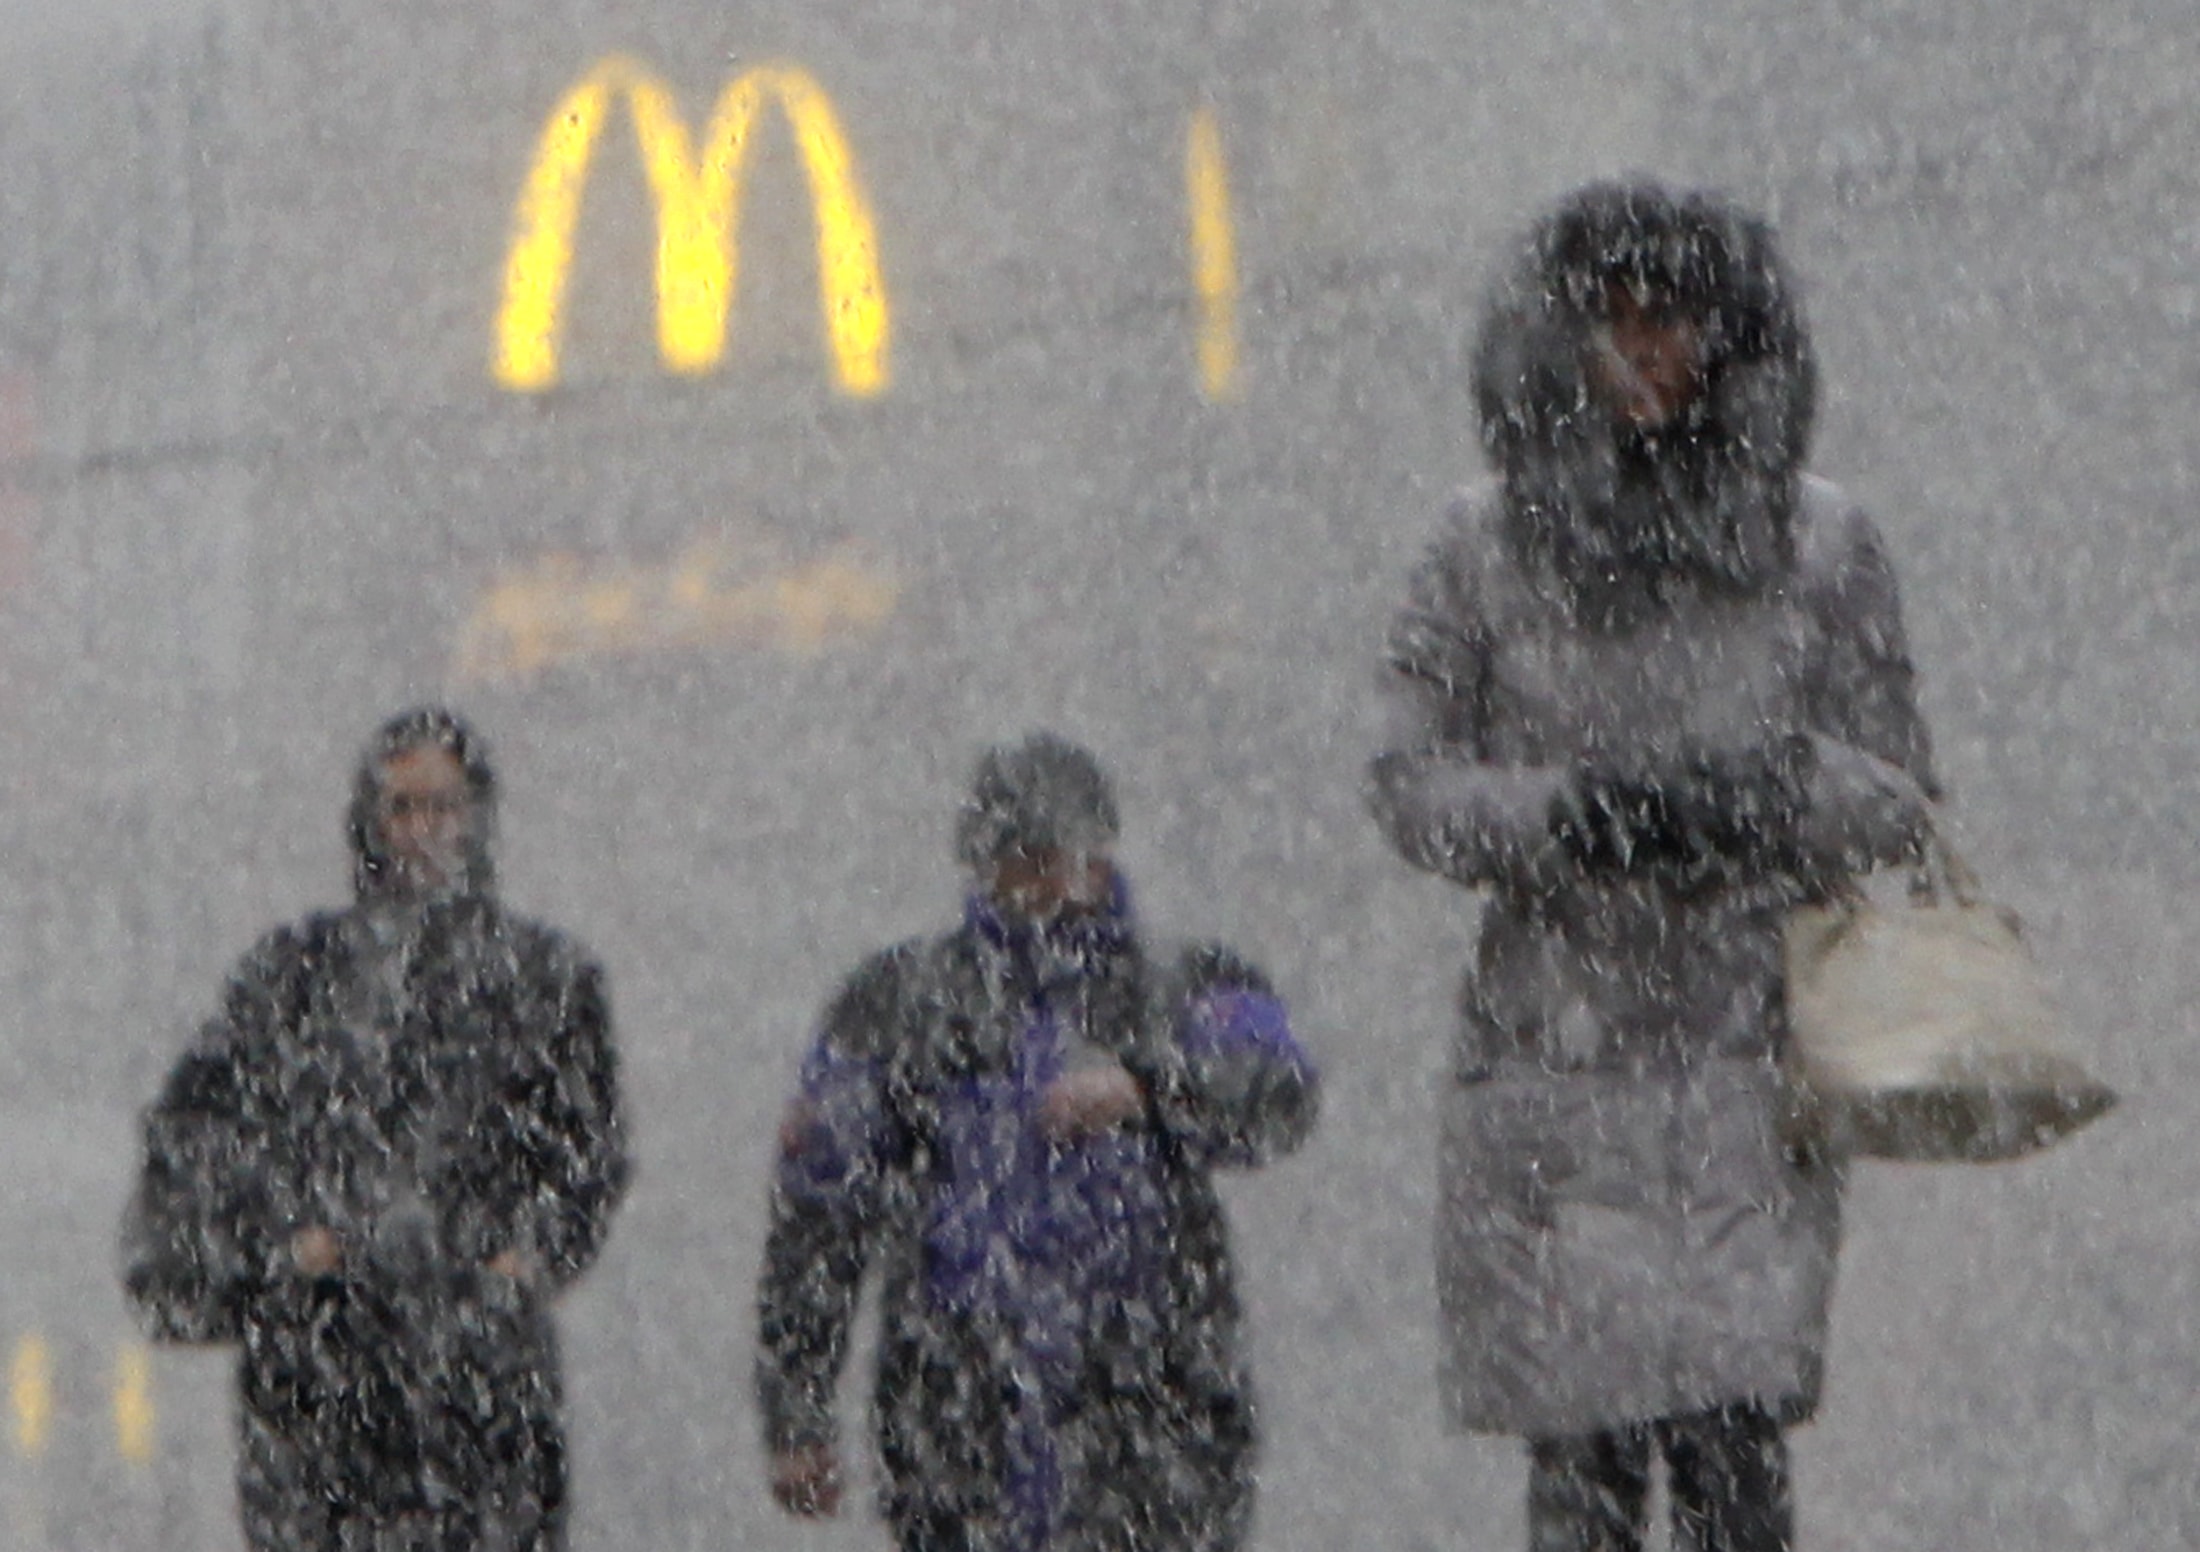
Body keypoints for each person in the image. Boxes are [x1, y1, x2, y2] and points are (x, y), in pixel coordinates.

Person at [1367, 181, 1940, 1552]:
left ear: (1729, 337)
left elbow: (1901, 792)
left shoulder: (1823, 546)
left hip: (1747, 1063)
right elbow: (1407, 783)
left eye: (1669, 322)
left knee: (1738, 1463)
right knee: (1584, 1475)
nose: (1643, 356)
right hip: (1558, 1068)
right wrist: (1574, 816)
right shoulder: (1477, 551)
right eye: (1610, 324)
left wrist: (1765, 800)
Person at [758, 732, 1319, 1552]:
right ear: (985, 867)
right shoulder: (897, 1006)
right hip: (957, 1419)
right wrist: (797, 1409)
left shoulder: (1185, 986)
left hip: (1155, 1416)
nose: (1060, 883)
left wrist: (1153, 1090)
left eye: (1079, 855)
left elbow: (1279, 1089)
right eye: (1033, 859)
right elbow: (819, 1218)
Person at [122, 707, 631, 1552]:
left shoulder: (547, 981)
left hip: (484, 1395)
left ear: (478, 816)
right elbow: (192, 1147)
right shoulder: (289, 979)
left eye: (442, 806)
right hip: (318, 1393)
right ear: (369, 820)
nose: (423, 831)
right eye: (403, 808)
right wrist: (286, 1245)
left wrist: (526, 1253)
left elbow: (589, 1154)